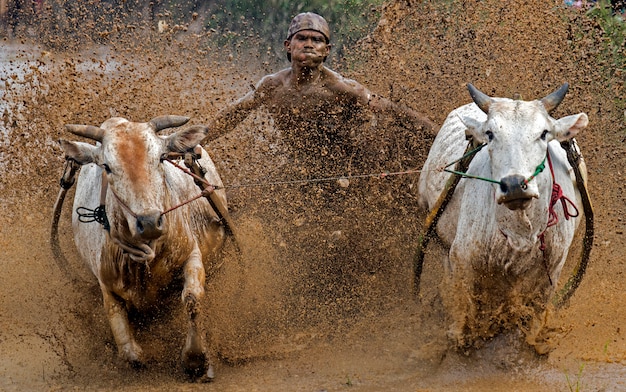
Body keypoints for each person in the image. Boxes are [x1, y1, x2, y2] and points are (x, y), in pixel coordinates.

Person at [208, 12, 436, 321]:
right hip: (300, 171)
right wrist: (191, 141)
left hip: (351, 171)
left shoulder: (342, 88)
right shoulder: (272, 86)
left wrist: (439, 134)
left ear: (327, 51)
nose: (310, 45)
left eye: (318, 40)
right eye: (303, 38)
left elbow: (393, 111)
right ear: (288, 46)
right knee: (238, 207)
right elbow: (232, 115)